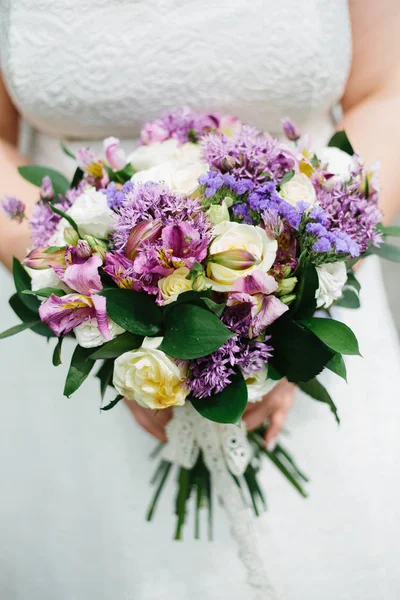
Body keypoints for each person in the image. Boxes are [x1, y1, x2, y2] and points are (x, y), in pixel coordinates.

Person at [0, 1, 399, 598]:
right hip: (72, 291)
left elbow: (385, 89)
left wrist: (283, 326)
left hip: (307, 285)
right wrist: (101, 296)